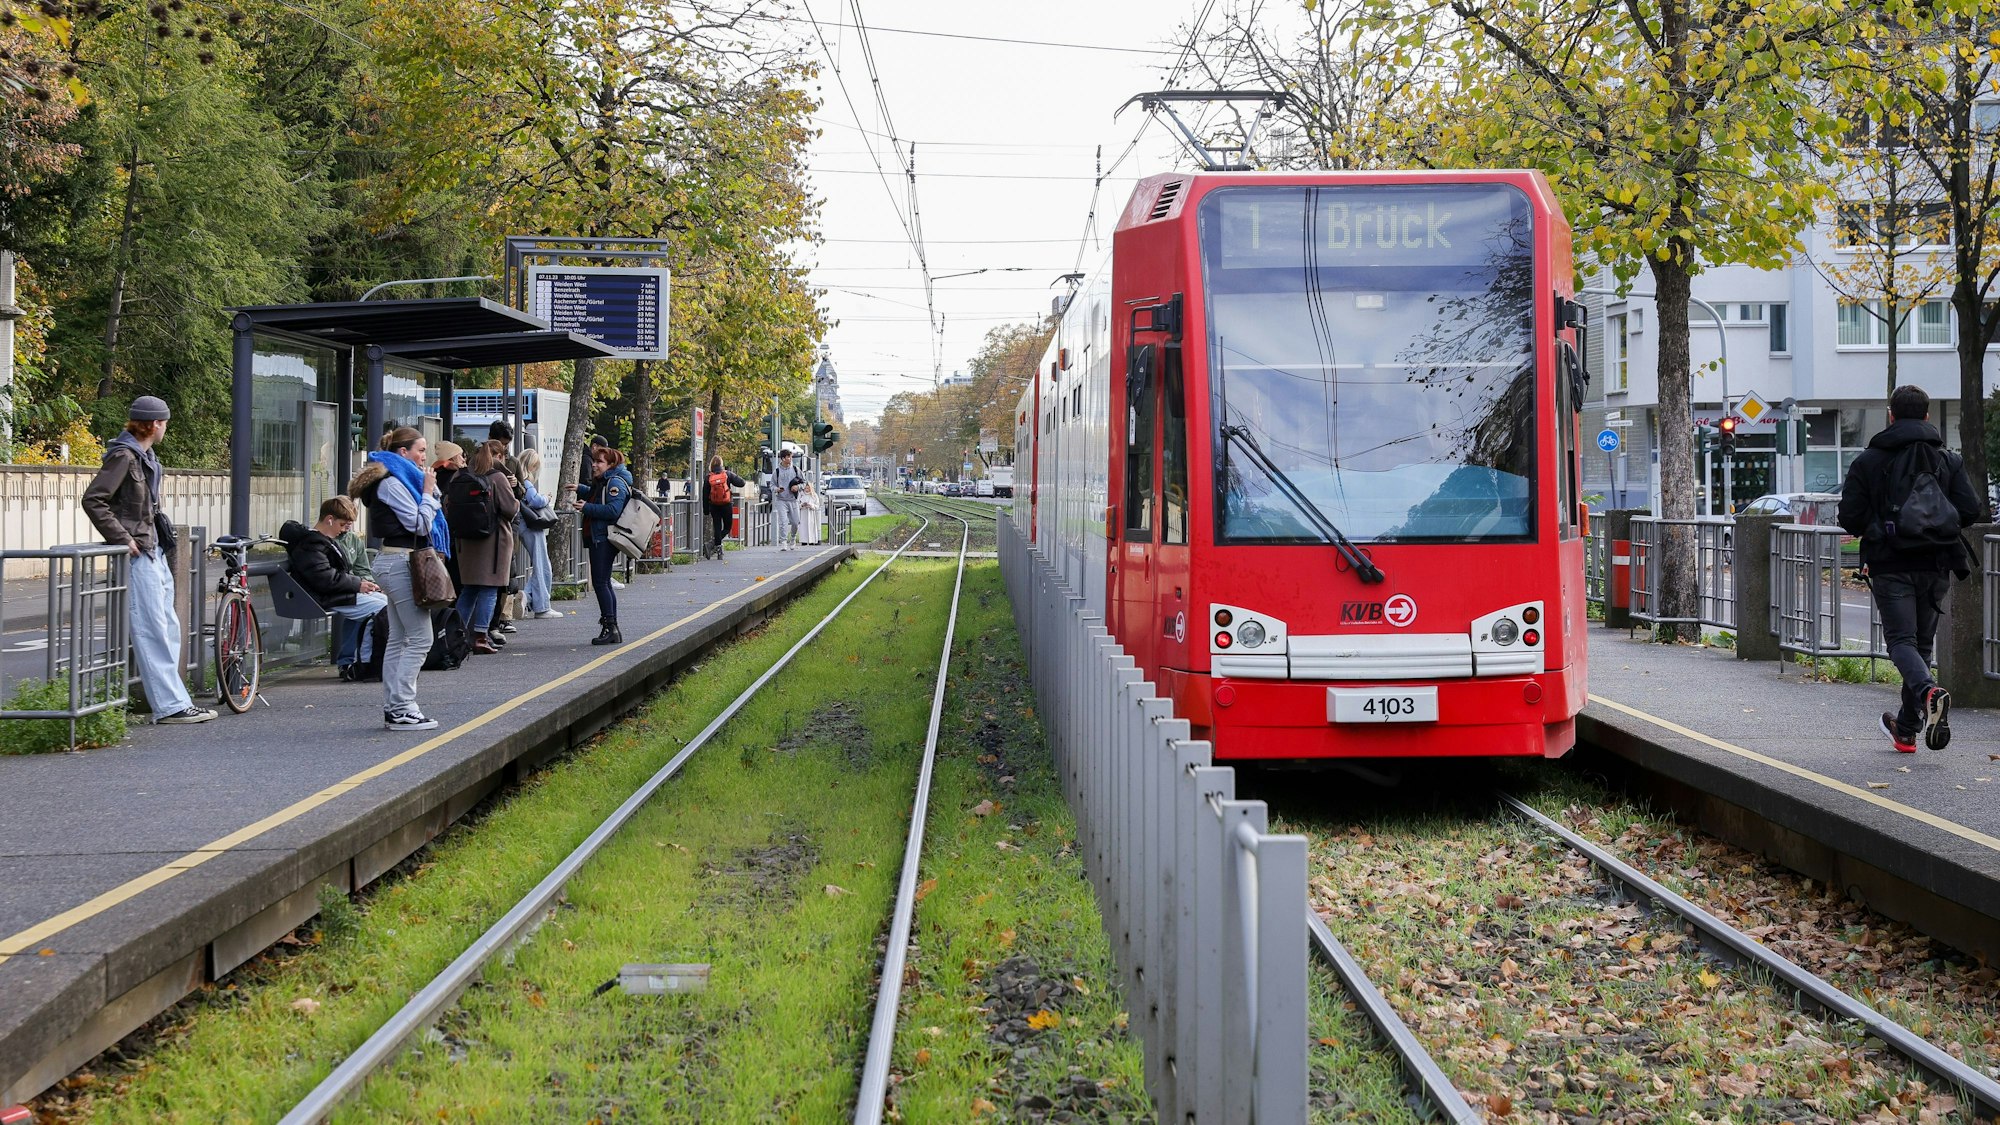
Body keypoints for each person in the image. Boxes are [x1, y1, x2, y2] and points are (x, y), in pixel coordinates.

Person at [1837, 384, 1985, 754]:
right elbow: (1970, 510)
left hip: (1890, 564)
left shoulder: (1869, 460)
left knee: (1902, 643)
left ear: (1891, 414)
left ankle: (1928, 693)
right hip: (1937, 564)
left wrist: (1878, 525)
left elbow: (1849, 517)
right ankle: (1905, 730)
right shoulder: (1947, 459)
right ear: (1926, 415)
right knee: (1920, 646)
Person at [81, 396, 215, 724]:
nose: (165, 428)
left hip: (151, 550)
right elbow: (94, 499)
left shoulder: (146, 457)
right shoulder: (124, 456)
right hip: (137, 553)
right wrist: (122, 538)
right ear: (154, 424)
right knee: (152, 630)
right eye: (164, 422)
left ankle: (177, 702)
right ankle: (170, 707)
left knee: (167, 627)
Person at [349, 425, 445, 731]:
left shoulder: (393, 479)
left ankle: (396, 706)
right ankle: (403, 706)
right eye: (420, 450)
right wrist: (428, 492)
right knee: (421, 639)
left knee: (400, 638)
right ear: (402, 453)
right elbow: (418, 524)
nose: (424, 456)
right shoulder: (392, 483)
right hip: (400, 562)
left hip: (393, 561)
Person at [279, 497, 389, 679]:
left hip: (330, 592)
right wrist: (357, 584)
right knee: (380, 609)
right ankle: (365, 662)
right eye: (342, 524)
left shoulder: (316, 541)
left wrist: (360, 584)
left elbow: (327, 575)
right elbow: (323, 578)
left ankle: (361, 660)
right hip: (324, 595)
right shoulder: (312, 544)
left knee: (384, 603)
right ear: (329, 519)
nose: (344, 530)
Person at [447, 440, 520, 655]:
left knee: (469, 588)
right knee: (489, 588)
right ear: (498, 457)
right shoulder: (497, 478)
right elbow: (509, 509)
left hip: (465, 542)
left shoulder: (459, 477)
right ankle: (480, 636)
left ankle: (456, 633)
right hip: (493, 543)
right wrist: (515, 496)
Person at [574, 445, 632, 645]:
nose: (594, 465)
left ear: (611, 464)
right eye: (594, 461)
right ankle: (611, 626)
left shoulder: (615, 482)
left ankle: (611, 627)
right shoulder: (605, 481)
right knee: (604, 582)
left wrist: (586, 507)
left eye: (599, 462)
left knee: (600, 583)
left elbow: (613, 510)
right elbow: (598, 495)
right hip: (599, 537)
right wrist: (580, 490)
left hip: (604, 538)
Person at [331, 501, 379, 678]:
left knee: (373, 602)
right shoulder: (327, 539)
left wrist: (369, 584)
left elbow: (362, 569)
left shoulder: (354, 540)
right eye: (344, 523)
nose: (347, 527)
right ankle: (351, 660)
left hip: (351, 584)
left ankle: (358, 659)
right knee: (369, 608)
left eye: (350, 523)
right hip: (340, 588)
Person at [517, 447, 564, 619]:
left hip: (522, 525)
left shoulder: (517, 480)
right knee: (543, 566)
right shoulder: (526, 482)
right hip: (531, 527)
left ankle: (527, 597)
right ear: (532, 466)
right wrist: (547, 498)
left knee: (541, 565)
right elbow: (535, 500)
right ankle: (541, 606)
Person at [702, 455, 746, 559]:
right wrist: (731, 475)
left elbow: (704, 494)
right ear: (721, 464)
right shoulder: (727, 474)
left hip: (714, 505)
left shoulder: (708, 477)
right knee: (727, 528)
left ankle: (718, 550)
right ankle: (711, 545)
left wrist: (706, 510)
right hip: (726, 505)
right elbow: (742, 483)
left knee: (717, 527)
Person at [771, 448, 804, 550]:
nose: (790, 458)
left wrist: (797, 487)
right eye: (788, 457)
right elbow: (771, 485)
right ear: (783, 458)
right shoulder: (776, 472)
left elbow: (805, 482)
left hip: (793, 500)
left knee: (795, 522)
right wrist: (777, 489)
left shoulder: (796, 470)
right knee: (783, 522)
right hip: (781, 500)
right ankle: (783, 541)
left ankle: (793, 538)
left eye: (790, 456)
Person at [798, 479, 824, 546]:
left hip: (811, 514)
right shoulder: (801, 495)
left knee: (811, 527)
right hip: (803, 513)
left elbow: (817, 505)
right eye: (806, 488)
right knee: (803, 527)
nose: (807, 489)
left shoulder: (814, 495)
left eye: (808, 488)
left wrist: (811, 505)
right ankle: (804, 541)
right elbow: (797, 504)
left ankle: (812, 541)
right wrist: (802, 505)